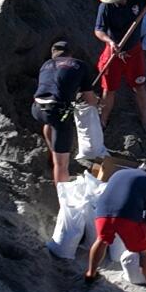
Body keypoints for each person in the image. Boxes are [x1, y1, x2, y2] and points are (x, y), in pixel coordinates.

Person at [84, 163, 146, 292]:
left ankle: (90, 275)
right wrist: (143, 238)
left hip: (102, 212)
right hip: (128, 217)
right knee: (145, 253)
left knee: (101, 240)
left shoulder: (119, 173)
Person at [94, 0, 146, 133]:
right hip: (113, 52)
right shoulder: (106, 7)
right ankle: (103, 120)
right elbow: (99, 30)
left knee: (139, 86)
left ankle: (145, 119)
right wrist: (110, 42)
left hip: (134, 51)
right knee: (109, 88)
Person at [32, 40, 97, 184]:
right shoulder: (80, 65)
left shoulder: (46, 65)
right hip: (57, 112)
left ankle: (53, 152)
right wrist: (97, 105)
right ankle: (63, 200)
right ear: (71, 54)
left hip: (37, 108)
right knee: (61, 165)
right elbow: (90, 99)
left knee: (49, 123)